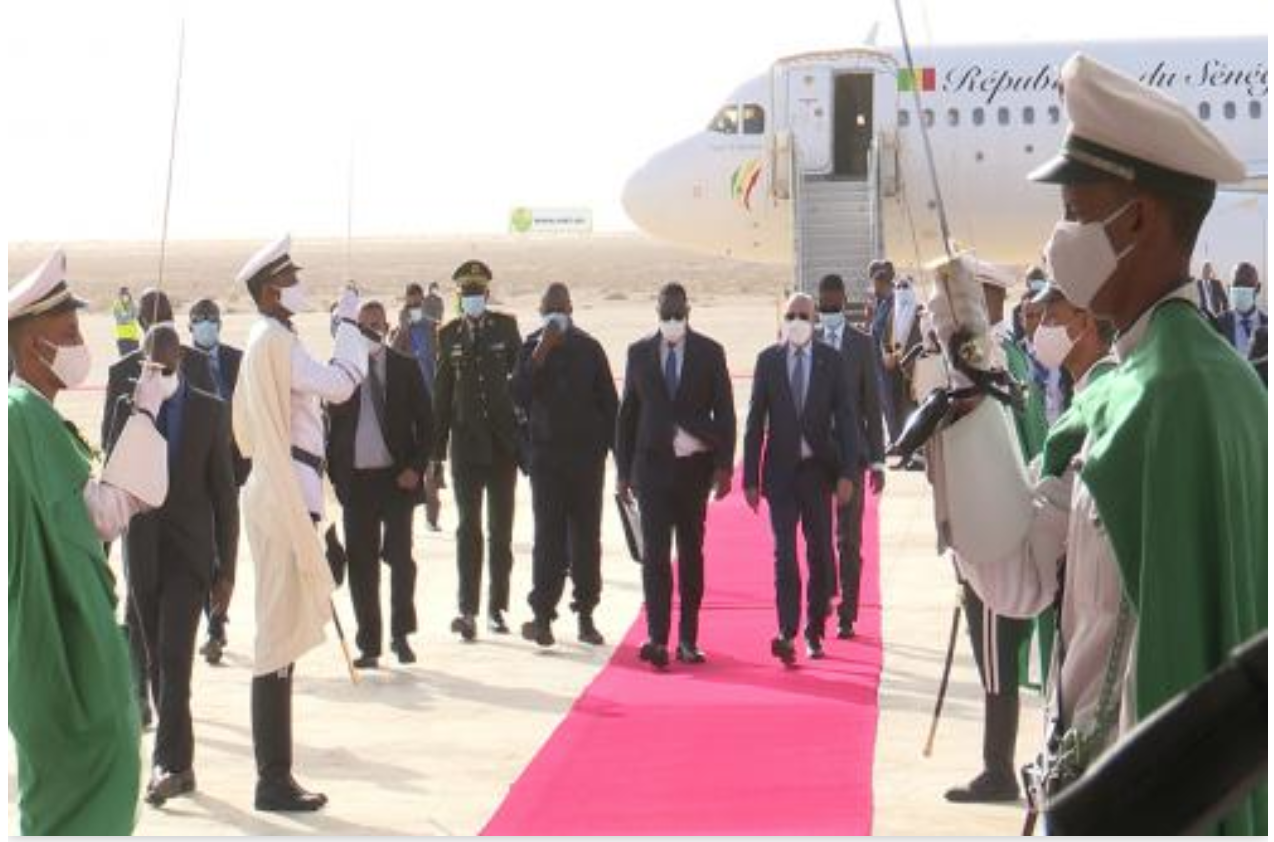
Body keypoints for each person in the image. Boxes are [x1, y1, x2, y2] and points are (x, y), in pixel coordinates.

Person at [937, 54, 1265, 833]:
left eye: (1078, 212)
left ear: (1141, 220)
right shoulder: (1116, 388)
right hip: (1083, 790)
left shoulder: (1180, 393)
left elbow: (1175, 664)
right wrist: (969, 412)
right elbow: (1021, 580)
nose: (1061, 239)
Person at [9, 250, 170, 834]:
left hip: (51, 643)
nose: (81, 343)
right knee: (80, 792)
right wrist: (149, 409)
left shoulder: (29, 416)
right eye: (69, 333)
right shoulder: (24, 416)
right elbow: (99, 516)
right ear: (33, 347)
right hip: (59, 651)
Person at [232, 234, 369, 812]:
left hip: (285, 486)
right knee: (276, 637)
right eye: (288, 277)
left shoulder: (269, 339)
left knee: (281, 635)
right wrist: (348, 327)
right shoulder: (276, 342)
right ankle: (272, 777)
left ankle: (277, 774)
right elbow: (339, 385)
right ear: (270, 290)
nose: (297, 284)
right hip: (287, 489)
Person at [110, 324, 239, 807]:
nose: (155, 373)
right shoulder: (128, 406)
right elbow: (113, 476)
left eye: (163, 367)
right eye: (148, 366)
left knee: (174, 655)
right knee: (153, 659)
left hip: (189, 556)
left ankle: (168, 764)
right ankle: (181, 766)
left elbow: (225, 496)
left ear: (180, 360)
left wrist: (227, 570)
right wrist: (140, 415)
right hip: (142, 551)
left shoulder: (209, 408)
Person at [616, 282, 736, 668]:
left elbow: (726, 414)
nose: (672, 321)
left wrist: (723, 466)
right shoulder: (638, 354)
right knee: (654, 558)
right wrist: (622, 472)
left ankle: (688, 638)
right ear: (657, 312)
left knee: (690, 555)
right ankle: (656, 638)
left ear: (688, 312)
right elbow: (627, 417)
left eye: (678, 315)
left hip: (693, 471)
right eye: (666, 315)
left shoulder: (709, 353)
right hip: (651, 469)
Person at [744, 293, 859, 664]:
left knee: (821, 553)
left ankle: (814, 631)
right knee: (784, 555)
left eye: (803, 315)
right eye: (791, 314)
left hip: (816, 472)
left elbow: (846, 420)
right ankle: (787, 631)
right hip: (780, 475)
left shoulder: (832, 362)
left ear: (815, 321)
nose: (796, 321)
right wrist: (749, 477)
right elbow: (754, 423)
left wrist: (848, 473)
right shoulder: (768, 361)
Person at [327, 300, 434, 668]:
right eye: (363, 324)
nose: (370, 329)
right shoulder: (341, 372)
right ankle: (369, 644)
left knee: (401, 560)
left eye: (376, 323)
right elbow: (329, 430)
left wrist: (416, 469)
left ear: (387, 326)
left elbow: (428, 424)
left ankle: (401, 634)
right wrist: (336, 481)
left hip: (396, 480)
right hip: (357, 485)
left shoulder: (405, 368)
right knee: (362, 566)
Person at [512, 283, 618, 648]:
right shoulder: (530, 347)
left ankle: (586, 614)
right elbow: (518, 396)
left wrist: (616, 459)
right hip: (546, 463)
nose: (555, 311)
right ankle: (542, 616)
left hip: (586, 463)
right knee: (548, 540)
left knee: (586, 539)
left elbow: (610, 407)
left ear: (571, 308)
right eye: (548, 306)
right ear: (541, 311)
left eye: (560, 306)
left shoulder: (590, 349)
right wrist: (541, 351)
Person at [432, 259, 522, 640]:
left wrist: (524, 434)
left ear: (487, 294)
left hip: (502, 448)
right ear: (459, 298)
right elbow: (441, 397)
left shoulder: (505, 327)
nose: (472, 299)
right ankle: (466, 610)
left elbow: (521, 383)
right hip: (466, 449)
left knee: (500, 531)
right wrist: (435, 456)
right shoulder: (448, 335)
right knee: (468, 530)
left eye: (477, 293)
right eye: (466, 294)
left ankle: (496, 609)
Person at [815, 274, 886, 639]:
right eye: (822, 305)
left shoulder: (860, 343)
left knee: (849, 538)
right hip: (814, 456)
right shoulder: (806, 339)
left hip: (852, 455)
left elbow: (872, 406)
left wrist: (878, 459)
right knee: (819, 535)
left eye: (833, 304)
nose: (828, 310)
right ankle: (825, 594)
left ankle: (848, 613)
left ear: (843, 300)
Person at [188, 297, 249, 664]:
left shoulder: (236, 361)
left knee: (225, 545)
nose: (206, 324)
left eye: (211, 318)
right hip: (195, 474)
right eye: (200, 319)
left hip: (231, 470)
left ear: (220, 324)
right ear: (190, 325)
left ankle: (218, 621)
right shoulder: (180, 361)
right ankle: (213, 625)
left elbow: (251, 410)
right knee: (202, 548)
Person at [102, 288, 214, 453]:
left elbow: (108, 442)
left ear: (140, 321)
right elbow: (215, 431)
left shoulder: (120, 371)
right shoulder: (200, 362)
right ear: (173, 317)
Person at [391, 282, 444, 530]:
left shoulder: (433, 328)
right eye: (409, 304)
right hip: (407, 407)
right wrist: (403, 330)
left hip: (430, 402)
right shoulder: (400, 331)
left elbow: (440, 360)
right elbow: (393, 357)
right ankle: (406, 518)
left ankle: (432, 519)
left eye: (417, 303)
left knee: (431, 462)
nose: (414, 307)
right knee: (411, 462)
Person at [1216, 262, 1266, 358]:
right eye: (1237, 284)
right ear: (1229, 288)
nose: (1242, 288)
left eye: (1248, 284)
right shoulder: (1217, 325)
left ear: (1258, 288)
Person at [113, 285, 142, 356]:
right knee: (123, 359)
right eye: (122, 294)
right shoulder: (117, 305)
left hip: (133, 337)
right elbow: (120, 319)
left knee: (135, 359)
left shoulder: (133, 304)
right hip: (122, 338)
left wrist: (128, 317)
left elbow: (136, 315)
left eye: (126, 294)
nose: (124, 296)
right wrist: (129, 316)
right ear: (119, 296)